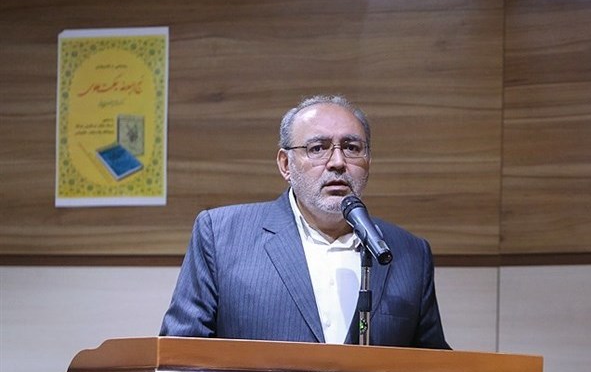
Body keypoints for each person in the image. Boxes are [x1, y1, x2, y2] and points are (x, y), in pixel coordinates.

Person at [160, 95, 450, 349]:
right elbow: (180, 353)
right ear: (285, 164)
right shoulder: (222, 235)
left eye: (351, 147)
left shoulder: (410, 253)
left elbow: (433, 367)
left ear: (368, 162)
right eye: (318, 148)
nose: (338, 162)